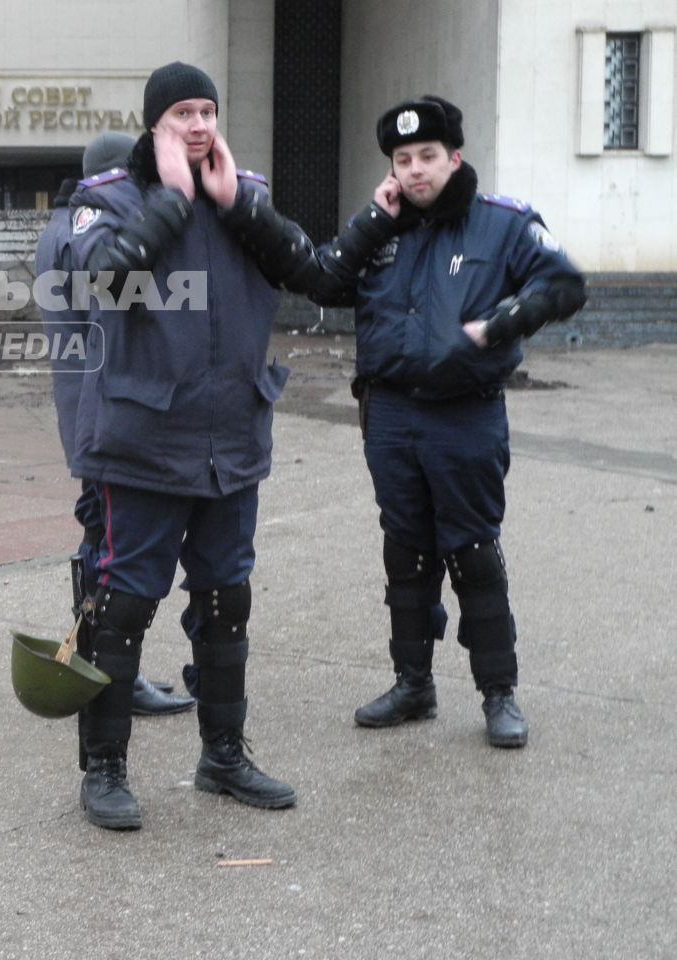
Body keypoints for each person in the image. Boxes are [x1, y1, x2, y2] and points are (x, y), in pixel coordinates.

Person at [64, 63, 383, 831]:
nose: (199, 124)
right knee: (122, 604)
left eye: (207, 109)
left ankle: (223, 754)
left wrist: (237, 204)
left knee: (224, 598)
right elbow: (98, 283)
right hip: (142, 441)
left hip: (230, 440)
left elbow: (316, 277)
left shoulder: (247, 200)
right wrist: (173, 199)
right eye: (181, 113)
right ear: (153, 127)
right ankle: (103, 769)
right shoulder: (107, 202)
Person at [224, 95, 585, 748]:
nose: (415, 170)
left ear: (454, 156)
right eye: (401, 159)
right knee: (405, 548)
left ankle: (497, 692)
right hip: (389, 413)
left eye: (426, 156)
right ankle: (411, 683)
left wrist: (502, 322)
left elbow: (562, 284)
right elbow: (323, 282)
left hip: (463, 416)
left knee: (471, 549)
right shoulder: (382, 227)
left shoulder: (500, 223)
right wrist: (370, 220)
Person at [35, 131, 195, 779]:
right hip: (102, 412)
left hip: (84, 409)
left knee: (98, 536)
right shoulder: (84, 234)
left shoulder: (58, 229)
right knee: (106, 545)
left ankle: (94, 664)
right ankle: (105, 675)